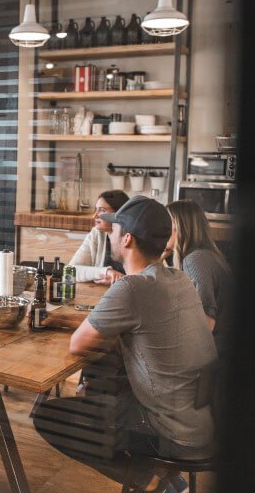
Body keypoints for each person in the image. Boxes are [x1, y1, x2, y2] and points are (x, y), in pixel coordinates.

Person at [35, 196, 217, 493]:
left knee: (50, 417)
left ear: (128, 238)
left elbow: (78, 346)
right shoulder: (177, 279)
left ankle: (150, 481)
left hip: (169, 434)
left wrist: (71, 326)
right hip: (199, 422)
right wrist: (63, 321)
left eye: (116, 228)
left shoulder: (132, 287)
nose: (112, 234)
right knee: (106, 386)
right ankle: (165, 479)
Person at [165, 199, 233, 351]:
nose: (161, 229)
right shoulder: (205, 255)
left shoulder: (195, 260)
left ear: (181, 226)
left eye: (166, 223)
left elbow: (206, 324)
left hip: (219, 351)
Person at [68, 190, 129, 283]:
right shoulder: (96, 234)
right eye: (96, 209)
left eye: (102, 210)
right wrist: (106, 272)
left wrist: (119, 280)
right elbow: (70, 271)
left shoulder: (132, 238)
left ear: (119, 214)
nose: (94, 216)